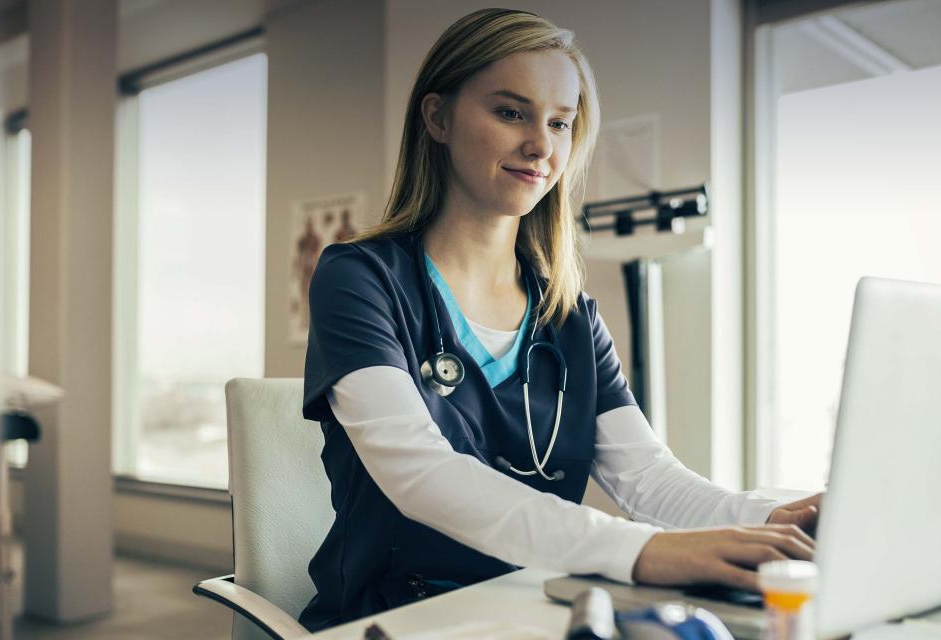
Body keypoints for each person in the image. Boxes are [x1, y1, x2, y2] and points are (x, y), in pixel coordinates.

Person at [299, 8, 821, 632]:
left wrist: (770, 521)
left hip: (535, 609)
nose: (541, 146)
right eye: (510, 112)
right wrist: (642, 550)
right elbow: (423, 474)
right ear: (437, 117)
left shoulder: (568, 317)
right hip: (398, 617)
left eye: (561, 123)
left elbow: (648, 479)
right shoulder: (360, 279)